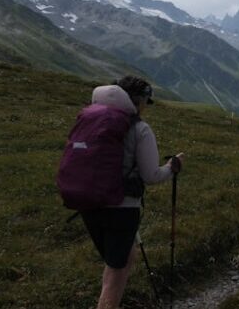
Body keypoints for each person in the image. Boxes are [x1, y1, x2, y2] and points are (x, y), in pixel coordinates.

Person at [80, 76, 184, 309]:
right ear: (138, 102)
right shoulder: (139, 129)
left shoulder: (91, 121)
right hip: (122, 208)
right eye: (146, 102)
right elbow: (151, 176)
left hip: (88, 203)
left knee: (120, 260)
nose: (146, 107)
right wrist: (172, 166)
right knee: (117, 274)